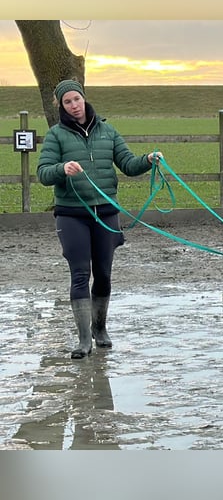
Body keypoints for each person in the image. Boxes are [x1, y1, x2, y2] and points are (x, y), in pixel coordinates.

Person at [37, 79, 163, 359]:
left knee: (104, 274)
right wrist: (61, 168)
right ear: (62, 106)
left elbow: (128, 164)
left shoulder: (108, 131)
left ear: (84, 99)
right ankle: (83, 340)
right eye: (67, 101)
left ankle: (100, 328)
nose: (74, 105)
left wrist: (148, 159)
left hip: (106, 212)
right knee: (80, 273)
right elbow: (43, 173)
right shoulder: (56, 135)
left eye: (77, 99)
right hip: (72, 214)